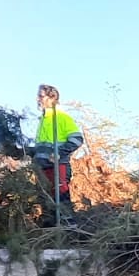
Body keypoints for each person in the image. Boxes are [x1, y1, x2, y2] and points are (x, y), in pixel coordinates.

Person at [32, 84, 83, 224]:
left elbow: (77, 139)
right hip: (43, 167)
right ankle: (52, 232)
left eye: (41, 96)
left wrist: (59, 153)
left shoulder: (62, 117)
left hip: (58, 165)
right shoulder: (43, 120)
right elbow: (42, 147)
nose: (38, 99)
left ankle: (69, 230)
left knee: (61, 197)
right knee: (47, 199)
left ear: (52, 98)